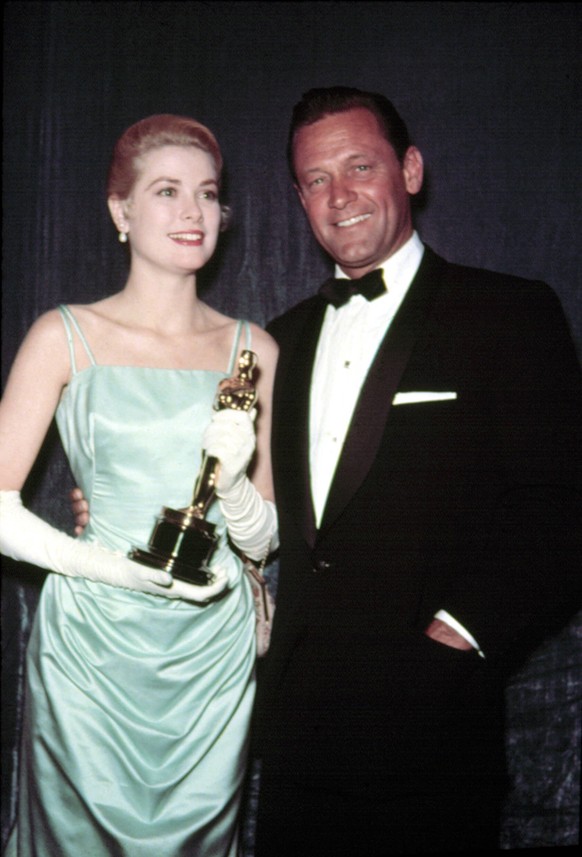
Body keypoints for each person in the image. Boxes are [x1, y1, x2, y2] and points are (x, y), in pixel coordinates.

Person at [251, 87, 582, 855]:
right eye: (316, 179)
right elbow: (253, 511)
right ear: (300, 198)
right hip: (297, 738)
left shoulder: (507, 313)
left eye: (359, 166)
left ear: (410, 169)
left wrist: (457, 638)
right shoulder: (278, 341)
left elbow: (564, 506)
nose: (339, 195)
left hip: (435, 737)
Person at [0, 114, 278, 856]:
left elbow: (264, 537)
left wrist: (236, 485)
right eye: (167, 191)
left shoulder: (255, 349)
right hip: (91, 650)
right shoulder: (62, 336)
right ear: (120, 211)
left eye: (208, 193)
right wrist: (110, 567)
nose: (193, 211)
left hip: (211, 656)